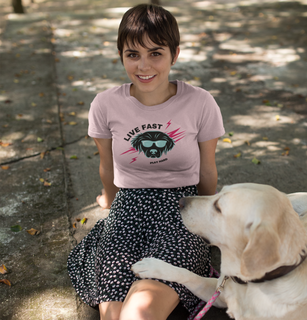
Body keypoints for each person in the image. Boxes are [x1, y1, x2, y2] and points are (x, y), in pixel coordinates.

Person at [67, 4, 225, 320]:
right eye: (132, 54)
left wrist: (208, 222)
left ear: (174, 53)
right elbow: (107, 166)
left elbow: (207, 170)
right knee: (113, 311)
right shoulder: (105, 104)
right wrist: (110, 203)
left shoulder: (200, 102)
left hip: (181, 206)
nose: (143, 65)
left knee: (141, 312)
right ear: (121, 55)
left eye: (155, 53)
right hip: (128, 206)